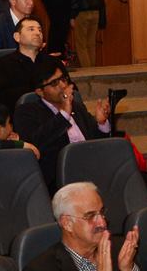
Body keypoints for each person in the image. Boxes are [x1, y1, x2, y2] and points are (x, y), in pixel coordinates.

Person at [12, 57, 113, 191]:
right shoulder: (27, 112)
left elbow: (96, 143)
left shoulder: (76, 107)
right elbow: (35, 144)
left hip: (91, 170)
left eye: (63, 79)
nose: (63, 86)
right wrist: (64, 114)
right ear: (40, 91)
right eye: (54, 83)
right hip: (58, 180)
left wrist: (101, 123)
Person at [0, 16, 48, 113]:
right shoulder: (4, 64)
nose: (38, 33)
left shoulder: (52, 62)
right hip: (22, 114)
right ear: (17, 37)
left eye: (40, 30)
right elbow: (4, 98)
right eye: (31, 29)